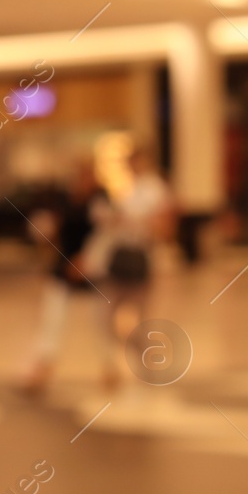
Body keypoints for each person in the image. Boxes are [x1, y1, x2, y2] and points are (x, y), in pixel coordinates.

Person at [20, 161, 110, 395]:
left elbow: (106, 235)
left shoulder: (101, 201)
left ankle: (110, 370)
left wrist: (87, 261)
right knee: (52, 321)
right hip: (64, 267)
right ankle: (42, 368)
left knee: (101, 324)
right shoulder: (63, 201)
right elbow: (50, 230)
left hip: (92, 271)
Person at [101, 146, 173, 384]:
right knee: (110, 314)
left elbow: (163, 227)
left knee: (141, 315)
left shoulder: (154, 189)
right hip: (122, 254)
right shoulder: (127, 190)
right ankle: (120, 362)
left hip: (141, 257)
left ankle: (146, 364)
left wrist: (141, 225)